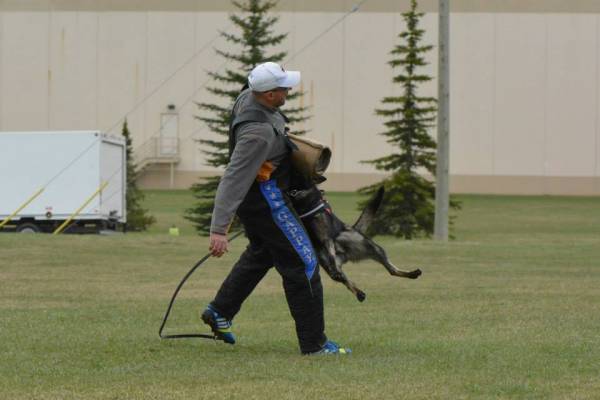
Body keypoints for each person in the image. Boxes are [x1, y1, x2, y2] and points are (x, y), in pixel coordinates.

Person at [201, 61, 350, 355]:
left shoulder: (248, 96)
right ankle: (315, 345)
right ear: (269, 95)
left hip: (261, 199)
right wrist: (219, 229)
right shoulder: (257, 134)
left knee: (264, 253)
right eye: (284, 88)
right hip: (267, 201)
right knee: (303, 262)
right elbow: (233, 178)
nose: (288, 91)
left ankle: (220, 311)